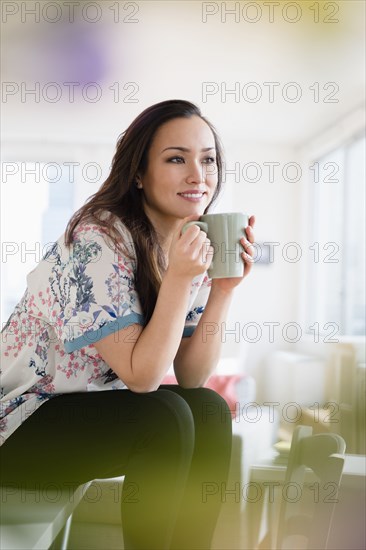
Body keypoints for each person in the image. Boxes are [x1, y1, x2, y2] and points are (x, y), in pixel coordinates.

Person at [0, 99, 255, 549]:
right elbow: (143, 378)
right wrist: (179, 278)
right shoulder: (97, 237)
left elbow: (193, 375)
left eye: (208, 159)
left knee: (210, 409)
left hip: (83, 414)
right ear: (138, 173)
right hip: (18, 424)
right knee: (165, 414)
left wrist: (223, 289)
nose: (199, 175)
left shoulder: (186, 242)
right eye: (177, 158)